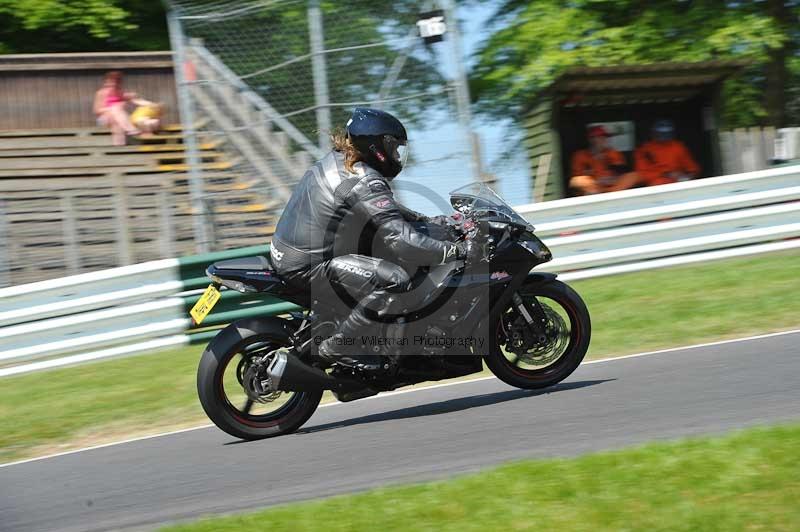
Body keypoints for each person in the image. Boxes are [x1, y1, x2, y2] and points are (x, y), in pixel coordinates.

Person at [270, 107, 471, 371]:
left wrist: (433, 221)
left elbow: (383, 209)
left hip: (292, 253)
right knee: (395, 278)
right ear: (378, 145)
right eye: (394, 147)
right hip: (311, 264)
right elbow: (402, 240)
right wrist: (455, 251)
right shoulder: (364, 178)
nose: (397, 155)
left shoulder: (340, 161)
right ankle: (339, 347)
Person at [569, 125, 640, 195]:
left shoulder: (612, 153)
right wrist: (596, 181)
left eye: (605, 137)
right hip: (592, 187)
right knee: (576, 181)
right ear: (591, 139)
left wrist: (611, 179)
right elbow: (577, 177)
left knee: (633, 176)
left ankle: (611, 194)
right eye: (600, 137)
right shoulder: (580, 155)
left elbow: (621, 172)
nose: (604, 140)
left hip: (612, 187)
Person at [634, 119, 700, 186]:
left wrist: (685, 178)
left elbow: (693, 170)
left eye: (666, 134)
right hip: (654, 183)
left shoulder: (678, 147)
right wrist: (666, 173)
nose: (663, 138)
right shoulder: (645, 149)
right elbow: (643, 172)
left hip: (677, 182)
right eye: (660, 134)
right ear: (653, 134)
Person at [93, 71, 141, 146]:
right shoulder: (101, 93)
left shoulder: (120, 93)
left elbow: (135, 99)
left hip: (119, 119)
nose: (113, 84)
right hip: (103, 119)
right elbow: (97, 110)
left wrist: (133, 96)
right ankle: (131, 129)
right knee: (115, 109)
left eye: (116, 82)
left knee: (117, 121)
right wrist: (111, 109)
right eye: (111, 82)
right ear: (106, 82)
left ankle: (118, 146)